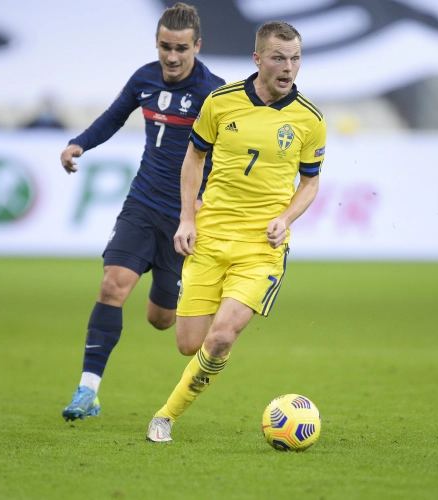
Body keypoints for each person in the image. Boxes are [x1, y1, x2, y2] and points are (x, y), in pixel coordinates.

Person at [146, 21, 327, 442]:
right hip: (210, 236)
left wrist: (286, 218)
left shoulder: (310, 120)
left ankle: (165, 416)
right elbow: (193, 158)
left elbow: (311, 183)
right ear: (258, 59)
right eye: (279, 58)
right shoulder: (221, 102)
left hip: (261, 246)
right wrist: (187, 218)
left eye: (295, 58)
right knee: (189, 344)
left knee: (223, 336)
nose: (288, 67)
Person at [59, 3, 224, 421]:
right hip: (143, 203)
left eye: (181, 49)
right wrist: (79, 143)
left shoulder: (215, 93)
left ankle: (179, 296)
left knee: (161, 319)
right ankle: (87, 390)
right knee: (113, 285)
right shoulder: (145, 78)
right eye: (165, 47)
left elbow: (229, 154)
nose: (172, 56)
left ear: (197, 46)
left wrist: (208, 200)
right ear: (157, 43)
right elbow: (113, 117)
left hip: (185, 219)